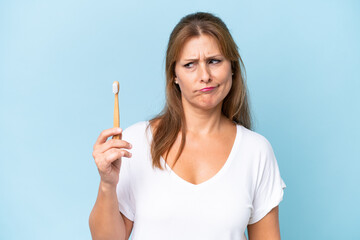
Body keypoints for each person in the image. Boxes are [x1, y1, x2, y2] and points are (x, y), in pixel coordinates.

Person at [89, 12, 286, 240]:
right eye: (190, 64)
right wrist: (107, 184)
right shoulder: (134, 144)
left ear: (232, 67)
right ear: (174, 74)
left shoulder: (256, 151)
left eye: (214, 61)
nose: (204, 76)